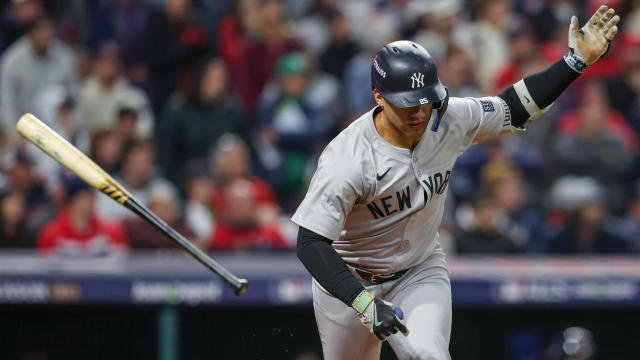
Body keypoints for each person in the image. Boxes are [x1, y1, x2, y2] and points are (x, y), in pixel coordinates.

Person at [292, 6, 620, 360]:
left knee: (427, 356)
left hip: (418, 271)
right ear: (378, 96)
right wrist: (362, 303)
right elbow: (310, 242)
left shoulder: (447, 117)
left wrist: (575, 62)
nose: (419, 111)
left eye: (425, 100)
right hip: (350, 282)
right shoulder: (347, 158)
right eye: (407, 104)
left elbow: (516, 106)